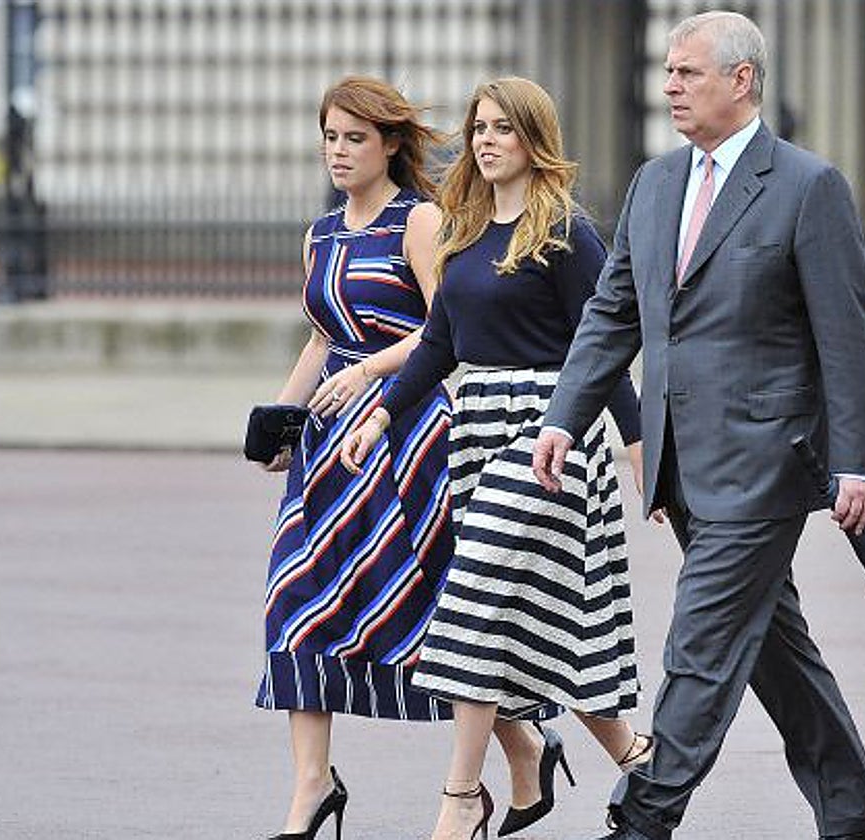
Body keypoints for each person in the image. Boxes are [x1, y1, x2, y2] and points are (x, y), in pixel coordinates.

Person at [532, 12, 865, 840]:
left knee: (699, 645)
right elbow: (613, 313)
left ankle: (643, 817)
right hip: (682, 464)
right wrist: (565, 417)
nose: (669, 86)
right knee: (773, 648)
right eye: (667, 71)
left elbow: (847, 334)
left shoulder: (808, 186)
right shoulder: (654, 184)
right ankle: (859, 818)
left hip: (767, 465)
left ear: (742, 80)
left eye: (687, 73)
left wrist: (858, 462)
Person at [341, 77, 655, 840]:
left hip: (551, 435)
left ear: (533, 139)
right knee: (535, 622)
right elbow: (439, 346)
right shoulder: (465, 231)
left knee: (472, 603)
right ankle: (639, 759)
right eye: (479, 128)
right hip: (478, 427)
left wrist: (642, 446)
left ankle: (459, 798)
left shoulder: (566, 234)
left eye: (502, 129)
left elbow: (604, 345)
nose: (485, 141)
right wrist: (380, 416)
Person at [253, 75, 456, 840]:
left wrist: (370, 372)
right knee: (296, 598)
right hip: (328, 444)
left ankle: (521, 745)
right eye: (330, 138)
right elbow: (320, 339)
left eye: (354, 139)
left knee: (427, 607)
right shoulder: (321, 233)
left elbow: (444, 331)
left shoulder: (419, 221)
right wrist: (281, 420)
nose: (338, 152)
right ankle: (313, 785)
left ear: (390, 144)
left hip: (405, 431)